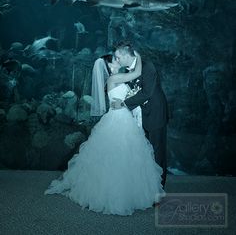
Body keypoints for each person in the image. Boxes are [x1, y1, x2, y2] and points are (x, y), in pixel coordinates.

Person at [44, 53, 165, 216]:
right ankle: (118, 193)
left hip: (122, 116)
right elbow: (136, 74)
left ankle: (126, 189)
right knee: (119, 155)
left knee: (123, 155)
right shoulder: (114, 78)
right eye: (116, 59)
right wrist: (136, 56)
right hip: (119, 118)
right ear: (110, 66)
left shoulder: (115, 78)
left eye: (118, 58)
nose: (119, 60)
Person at [112, 41, 168, 188]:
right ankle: (147, 184)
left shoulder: (148, 66)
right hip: (140, 115)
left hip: (155, 113)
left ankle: (158, 188)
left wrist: (123, 104)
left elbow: (146, 92)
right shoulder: (128, 71)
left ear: (125, 55)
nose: (117, 60)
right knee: (145, 150)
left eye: (118, 57)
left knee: (157, 150)